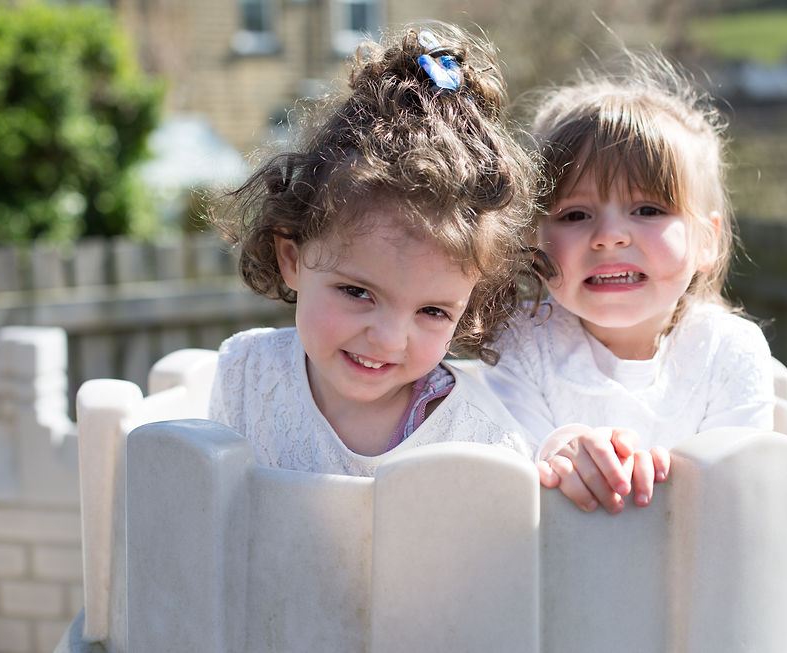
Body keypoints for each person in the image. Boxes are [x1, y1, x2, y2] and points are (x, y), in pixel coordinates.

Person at [207, 23, 540, 476]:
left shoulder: (481, 440)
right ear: (292, 258)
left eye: (433, 312)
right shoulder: (246, 376)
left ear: (469, 304)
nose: (388, 338)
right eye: (357, 292)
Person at [483, 53, 776, 513]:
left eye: (648, 210)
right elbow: (500, 485)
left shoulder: (729, 352)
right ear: (533, 241)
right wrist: (556, 453)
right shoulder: (520, 342)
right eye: (575, 215)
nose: (610, 236)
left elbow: (740, 501)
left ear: (707, 240)